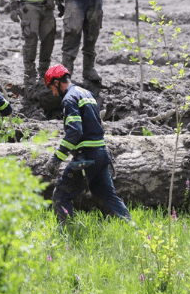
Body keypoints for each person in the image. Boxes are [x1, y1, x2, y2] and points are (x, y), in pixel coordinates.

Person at [43, 64, 131, 226]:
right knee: (107, 195)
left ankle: (67, 234)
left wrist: (57, 159)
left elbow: (74, 131)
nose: (54, 93)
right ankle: (131, 228)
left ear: (57, 82)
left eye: (52, 88)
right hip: (101, 152)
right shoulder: (87, 94)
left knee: (61, 195)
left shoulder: (69, 99)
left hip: (86, 157)